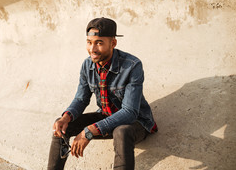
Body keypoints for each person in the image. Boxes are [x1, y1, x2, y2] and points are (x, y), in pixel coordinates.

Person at [47, 17, 157, 170]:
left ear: (113, 43)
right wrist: (66, 117)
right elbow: (81, 98)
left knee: (121, 131)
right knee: (62, 125)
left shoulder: (132, 65)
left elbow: (130, 112)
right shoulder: (87, 65)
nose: (92, 49)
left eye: (99, 43)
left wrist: (90, 131)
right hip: (106, 116)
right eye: (89, 42)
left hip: (135, 123)